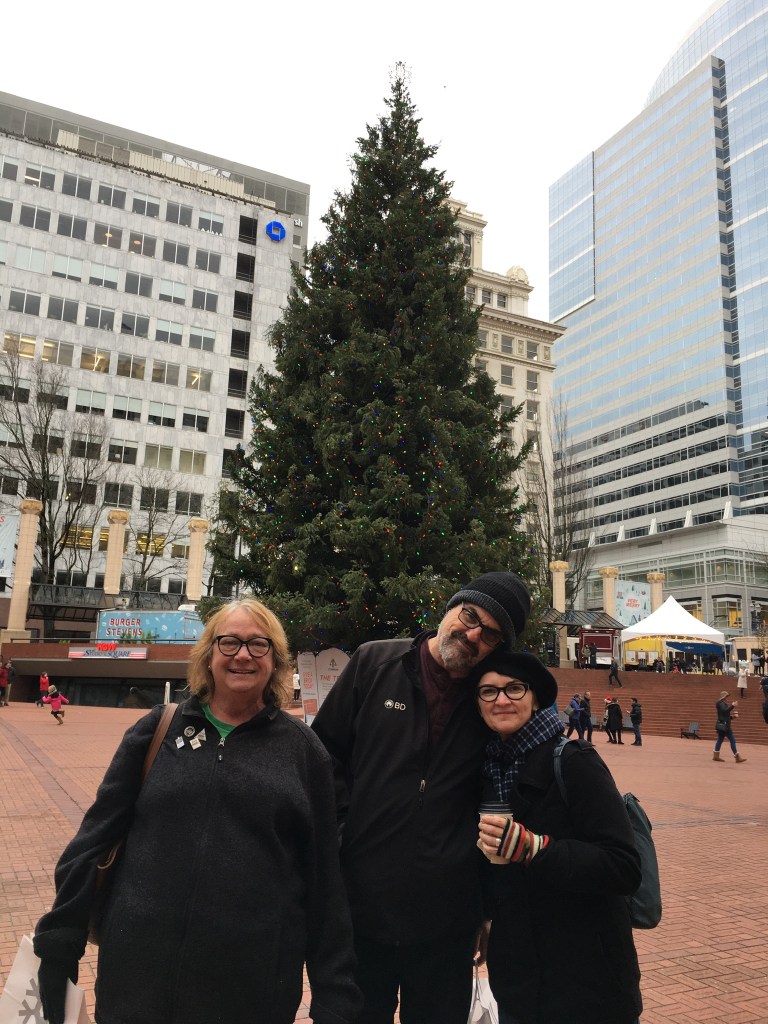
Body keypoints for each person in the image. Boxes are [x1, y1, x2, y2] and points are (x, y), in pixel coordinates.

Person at [33, 597, 361, 1024]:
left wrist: (335, 997)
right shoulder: (157, 728)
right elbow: (94, 839)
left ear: (275, 661)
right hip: (136, 983)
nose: (243, 655)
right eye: (229, 642)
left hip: (250, 992)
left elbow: (324, 880)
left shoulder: (303, 752)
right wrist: (59, 942)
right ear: (208, 655)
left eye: (258, 644)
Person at [312, 572, 532, 1024]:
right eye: (470, 616)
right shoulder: (375, 662)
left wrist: (485, 908)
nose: (473, 635)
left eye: (491, 635)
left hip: (446, 922)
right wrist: (344, 834)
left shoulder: (488, 699)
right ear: (451, 608)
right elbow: (323, 755)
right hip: (359, 909)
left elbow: (497, 794)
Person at [475, 650, 642, 1024]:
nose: (501, 700)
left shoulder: (573, 760)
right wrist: (483, 915)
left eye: (514, 689)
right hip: (518, 982)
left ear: (535, 699)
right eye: (488, 691)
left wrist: (534, 848)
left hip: (588, 981)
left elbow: (624, 867)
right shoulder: (486, 770)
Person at [713, 689, 747, 763]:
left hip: (723, 724)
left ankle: (716, 755)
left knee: (720, 739)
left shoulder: (722, 703)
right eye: (726, 696)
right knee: (732, 740)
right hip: (724, 726)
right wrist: (733, 706)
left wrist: (733, 717)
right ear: (724, 697)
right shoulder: (720, 703)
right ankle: (737, 757)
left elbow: (725, 715)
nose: (727, 697)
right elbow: (725, 711)